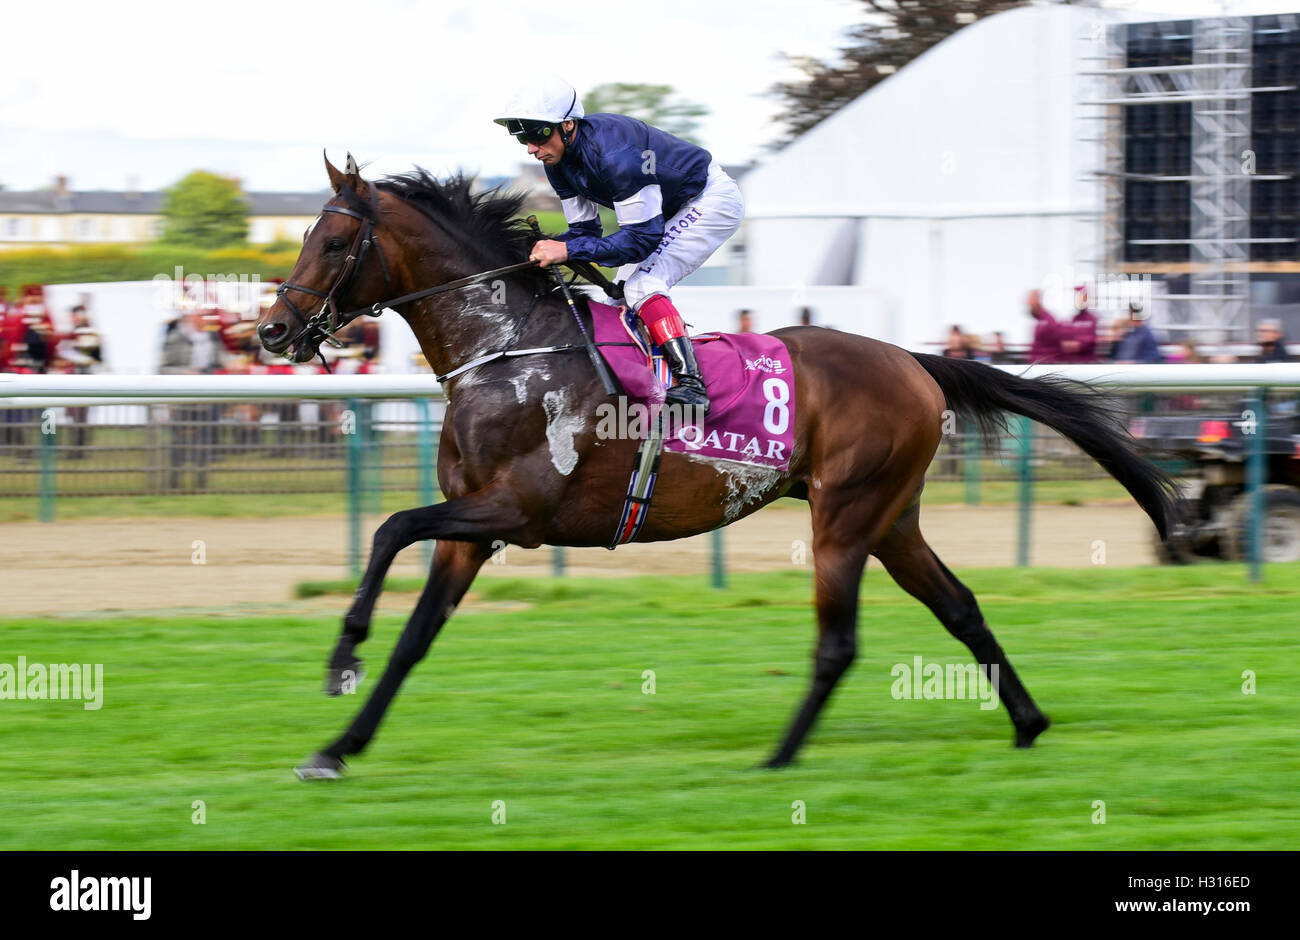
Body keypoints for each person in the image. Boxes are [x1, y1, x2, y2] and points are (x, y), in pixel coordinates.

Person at [495, 76, 745, 415]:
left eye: (538, 133)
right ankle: (646, 375)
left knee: (644, 284)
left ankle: (691, 385)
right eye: (522, 135)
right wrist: (538, 249)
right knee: (615, 294)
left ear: (568, 125)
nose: (530, 147)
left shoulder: (617, 156)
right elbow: (585, 231)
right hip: (666, 214)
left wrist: (565, 250)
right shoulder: (557, 163)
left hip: (709, 200)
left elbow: (641, 240)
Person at [1061, 284, 1098, 363]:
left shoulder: (1091, 319)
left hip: (1086, 361)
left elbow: (1090, 342)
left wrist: (1077, 345)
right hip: (1072, 361)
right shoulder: (1074, 319)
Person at [1026, 290, 1061, 363]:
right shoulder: (1038, 320)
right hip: (1036, 361)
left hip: (1044, 362)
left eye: (1030, 299)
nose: (1028, 302)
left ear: (1037, 299)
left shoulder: (1048, 320)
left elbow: (1055, 342)